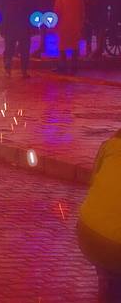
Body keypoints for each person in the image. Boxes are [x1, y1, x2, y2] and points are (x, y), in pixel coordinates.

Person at [78, 129, 121, 302]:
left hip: (88, 230)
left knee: (110, 281)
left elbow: (94, 181)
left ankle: (108, 286)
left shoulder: (110, 146)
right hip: (114, 244)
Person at [0, 0, 36, 78]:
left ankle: (8, 70)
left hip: (9, 24)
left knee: (9, 49)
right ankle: (23, 71)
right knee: (24, 50)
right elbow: (33, 7)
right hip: (24, 25)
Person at [54, 0, 85, 75]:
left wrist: (55, 25)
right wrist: (80, 24)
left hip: (63, 26)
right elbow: (82, 12)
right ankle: (74, 68)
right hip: (75, 26)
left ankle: (62, 67)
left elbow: (57, 12)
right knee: (74, 47)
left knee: (62, 47)